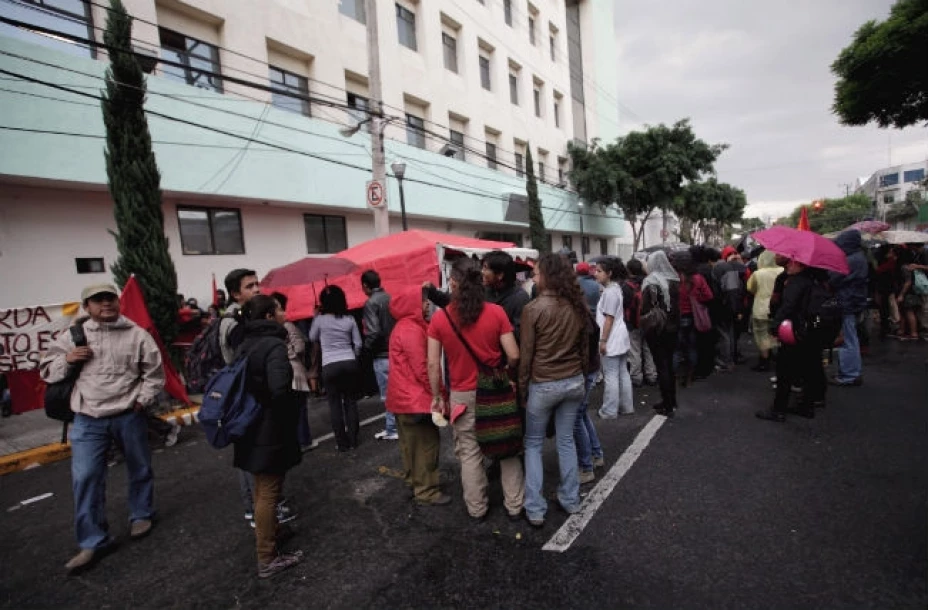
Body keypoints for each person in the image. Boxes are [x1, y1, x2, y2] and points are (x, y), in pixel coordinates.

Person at [39, 284, 165, 573]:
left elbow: (154, 374)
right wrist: (68, 359)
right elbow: (47, 370)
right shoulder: (72, 337)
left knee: (140, 467)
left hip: (127, 413)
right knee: (86, 477)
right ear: (87, 307)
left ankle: (141, 514)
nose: (106, 304)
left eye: (110, 298)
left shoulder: (137, 335)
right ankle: (93, 540)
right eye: (98, 300)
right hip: (87, 417)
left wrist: (141, 400)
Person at [427, 258, 524, 522]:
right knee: (506, 447)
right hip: (495, 388)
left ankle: (477, 508)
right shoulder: (496, 312)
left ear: (455, 284)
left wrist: (438, 396)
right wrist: (506, 373)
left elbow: (433, 364)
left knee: (469, 453)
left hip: (462, 396)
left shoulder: (440, 318)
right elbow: (514, 354)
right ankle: (515, 505)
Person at [233, 295, 303, 578]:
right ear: (270, 316)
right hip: (269, 427)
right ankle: (267, 556)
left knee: (263, 487)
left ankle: (273, 532)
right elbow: (279, 390)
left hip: (250, 425)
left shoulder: (244, 344)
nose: (284, 312)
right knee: (268, 491)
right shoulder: (273, 345)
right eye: (280, 308)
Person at [519, 254, 589, 527]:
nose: (533, 278)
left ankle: (535, 508)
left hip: (543, 383)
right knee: (566, 440)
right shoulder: (577, 305)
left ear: (547, 275)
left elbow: (526, 356)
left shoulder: (533, 309)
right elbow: (584, 349)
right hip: (573, 381)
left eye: (536, 273)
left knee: (533, 444)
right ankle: (571, 499)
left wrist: (523, 389)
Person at [223, 269, 294, 528]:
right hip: (248, 405)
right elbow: (236, 365)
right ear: (235, 293)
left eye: (257, 284)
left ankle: (269, 508)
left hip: (257, 403)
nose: (257, 289)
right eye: (249, 286)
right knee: (253, 463)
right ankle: (256, 511)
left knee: (265, 467)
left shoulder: (252, 322)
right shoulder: (232, 324)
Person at [387, 286, 451, 506]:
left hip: (401, 400)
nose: (427, 304)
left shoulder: (401, 327)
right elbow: (424, 369)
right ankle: (427, 491)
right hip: (416, 400)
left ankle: (415, 483)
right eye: (422, 301)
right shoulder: (412, 329)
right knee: (426, 446)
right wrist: (440, 393)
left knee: (409, 446)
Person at [757, 259, 825, 421]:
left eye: (792, 262)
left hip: (795, 331)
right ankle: (806, 406)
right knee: (808, 369)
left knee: (784, 371)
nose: (788, 264)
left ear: (801, 265)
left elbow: (788, 306)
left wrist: (774, 326)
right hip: (812, 330)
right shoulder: (815, 280)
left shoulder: (796, 283)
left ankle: (778, 409)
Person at [309, 285, 362, 452]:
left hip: (329, 365)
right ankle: (354, 440)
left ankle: (342, 443)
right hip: (349, 361)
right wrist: (352, 355)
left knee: (334, 405)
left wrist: (315, 316)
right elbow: (358, 343)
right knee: (350, 402)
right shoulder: (349, 319)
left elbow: (312, 337)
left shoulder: (320, 320)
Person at [270, 293, 315, 452]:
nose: (282, 312)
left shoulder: (273, 329)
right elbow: (300, 347)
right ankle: (304, 440)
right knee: (300, 408)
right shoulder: (288, 326)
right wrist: (293, 354)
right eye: (279, 309)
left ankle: (296, 440)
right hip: (294, 370)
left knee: (291, 409)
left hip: (283, 372)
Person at [641, 251, 681, 417]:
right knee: (669, 365)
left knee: (661, 365)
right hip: (673, 327)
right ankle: (671, 399)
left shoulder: (650, 282)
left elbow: (644, 308)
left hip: (656, 328)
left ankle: (667, 404)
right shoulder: (674, 280)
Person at [593, 257, 634, 418]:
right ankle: (626, 406)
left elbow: (608, 319)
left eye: (599, 271)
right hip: (620, 336)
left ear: (609, 273)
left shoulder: (610, 292)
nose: (595, 274)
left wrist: (603, 340)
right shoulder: (615, 289)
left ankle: (609, 410)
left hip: (611, 338)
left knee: (611, 375)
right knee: (622, 372)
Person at [361, 270, 397, 441]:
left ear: (365, 286)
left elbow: (373, 332)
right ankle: (394, 426)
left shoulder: (371, 303)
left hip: (381, 354)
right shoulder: (390, 297)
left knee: (387, 395)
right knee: (396, 391)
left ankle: (392, 428)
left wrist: (365, 349)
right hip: (395, 351)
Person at [828, 230, 868, 386]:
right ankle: (851, 372)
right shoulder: (859, 257)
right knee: (851, 338)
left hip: (848, 302)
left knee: (847, 340)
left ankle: (849, 374)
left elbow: (833, 278)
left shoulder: (851, 260)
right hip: (853, 302)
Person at [676, 254, 714, 386]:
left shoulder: (675, 279)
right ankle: (690, 376)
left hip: (678, 316)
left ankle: (674, 376)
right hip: (694, 317)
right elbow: (709, 296)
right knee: (692, 347)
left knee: (677, 349)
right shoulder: (698, 279)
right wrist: (697, 300)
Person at [482, 250, 531, 341]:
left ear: (500, 275)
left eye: (486, 268)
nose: (482, 272)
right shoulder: (485, 292)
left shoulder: (520, 298)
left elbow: (521, 333)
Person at [746, 251, 783, 372]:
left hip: (760, 308)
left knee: (762, 334)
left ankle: (764, 360)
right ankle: (776, 356)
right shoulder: (782, 271)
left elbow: (750, 288)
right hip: (778, 308)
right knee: (776, 333)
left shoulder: (758, 273)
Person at [624, 258, 657, 386]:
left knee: (634, 350)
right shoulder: (649, 282)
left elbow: (625, 305)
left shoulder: (626, 286)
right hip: (648, 320)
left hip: (633, 322)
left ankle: (636, 378)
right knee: (648, 349)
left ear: (629, 270)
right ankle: (652, 375)